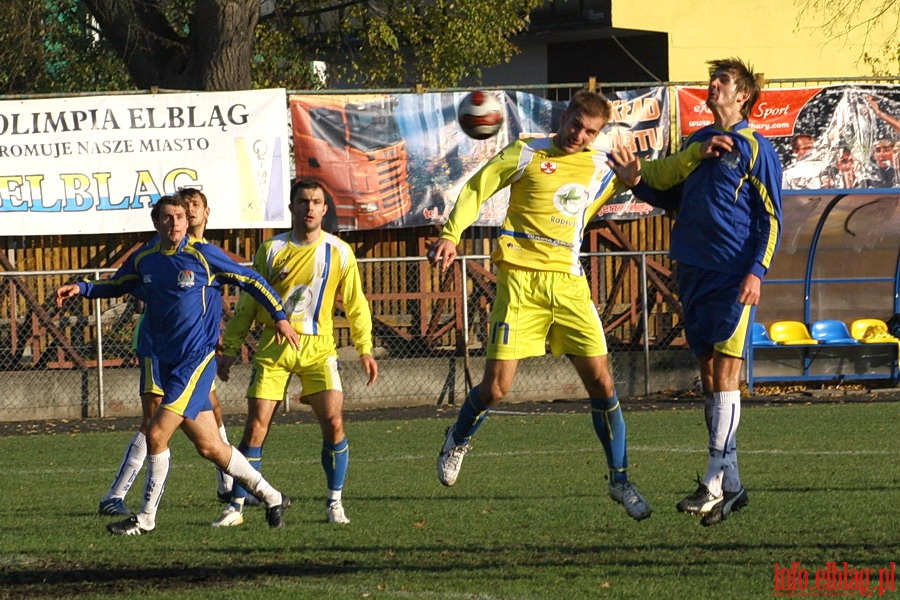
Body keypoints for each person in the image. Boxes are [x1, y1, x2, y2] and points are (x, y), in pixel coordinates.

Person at [427, 90, 729, 522]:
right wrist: (451, 235)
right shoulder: (527, 151)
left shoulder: (602, 161)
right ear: (565, 115)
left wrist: (697, 151)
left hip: (569, 283)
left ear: (598, 132)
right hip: (520, 283)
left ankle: (620, 480)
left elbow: (658, 173)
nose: (579, 135)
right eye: (575, 125)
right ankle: (457, 437)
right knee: (496, 387)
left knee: (603, 384)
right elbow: (478, 187)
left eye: (590, 131)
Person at [56, 194, 300, 535]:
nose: (175, 223)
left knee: (156, 432)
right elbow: (117, 284)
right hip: (167, 361)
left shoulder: (202, 254)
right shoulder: (146, 258)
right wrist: (82, 287)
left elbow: (253, 281)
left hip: (195, 360)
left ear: (188, 222)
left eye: (180, 217)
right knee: (210, 446)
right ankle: (272, 496)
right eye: (168, 217)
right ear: (157, 223)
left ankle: (145, 519)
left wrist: (280, 317)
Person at [610, 57, 783, 526]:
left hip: (731, 274)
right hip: (693, 271)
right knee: (709, 379)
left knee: (727, 375)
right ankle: (733, 486)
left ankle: (710, 481)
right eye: (714, 79)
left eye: (723, 80)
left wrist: (757, 272)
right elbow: (673, 198)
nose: (712, 85)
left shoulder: (756, 148)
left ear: (742, 94)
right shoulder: (696, 143)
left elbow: (771, 219)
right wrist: (636, 182)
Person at [214, 179, 378, 527]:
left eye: (316, 201)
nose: (309, 207)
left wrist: (365, 347)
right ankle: (236, 508)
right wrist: (229, 347)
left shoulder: (339, 252)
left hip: (319, 350)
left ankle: (334, 503)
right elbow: (248, 301)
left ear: (324, 209)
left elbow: (356, 304)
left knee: (334, 423)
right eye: (303, 201)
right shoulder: (271, 250)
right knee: (256, 428)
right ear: (292, 207)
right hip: (274, 346)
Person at [97, 188, 235, 517]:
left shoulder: (207, 254)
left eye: (192, 208)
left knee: (212, 410)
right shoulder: (156, 251)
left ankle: (229, 484)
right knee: (154, 421)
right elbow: (131, 283)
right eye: (178, 211)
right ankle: (115, 495)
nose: (185, 214)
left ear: (204, 213)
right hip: (162, 348)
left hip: (196, 350)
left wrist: (216, 334)